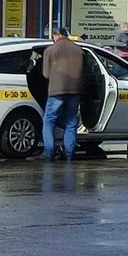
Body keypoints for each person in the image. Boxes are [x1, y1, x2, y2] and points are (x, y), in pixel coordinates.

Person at [42, 27, 84, 161]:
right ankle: (69, 153)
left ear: (56, 35)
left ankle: (49, 152)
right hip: (75, 90)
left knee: (49, 120)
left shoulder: (50, 50)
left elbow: (46, 74)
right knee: (71, 122)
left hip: (56, 91)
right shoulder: (78, 49)